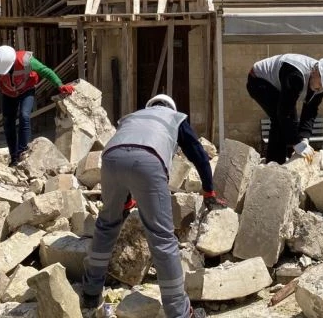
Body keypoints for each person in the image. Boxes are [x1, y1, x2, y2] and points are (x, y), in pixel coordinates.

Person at [81, 94, 225, 317]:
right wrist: (209, 190)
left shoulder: (132, 117)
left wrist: (125, 201)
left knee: (107, 224)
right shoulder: (175, 118)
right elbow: (198, 154)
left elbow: (126, 154)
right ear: (171, 107)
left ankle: (90, 294)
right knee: (162, 238)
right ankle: (179, 311)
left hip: (110, 159)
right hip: (149, 161)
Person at [0, 45, 75, 164]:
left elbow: (46, 71)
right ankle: (14, 157)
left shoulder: (26, 60)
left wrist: (59, 85)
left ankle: (22, 153)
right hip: (8, 93)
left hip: (26, 90)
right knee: (8, 122)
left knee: (24, 116)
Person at [247, 54, 323, 165]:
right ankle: (274, 166)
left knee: (291, 122)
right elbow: (283, 113)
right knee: (279, 120)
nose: (321, 89)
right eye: (321, 84)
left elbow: (310, 110)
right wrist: (296, 143)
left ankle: (287, 159)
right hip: (258, 79)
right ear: (316, 71)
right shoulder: (295, 76)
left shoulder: (321, 82)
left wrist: (304, 138)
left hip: (278, 84)